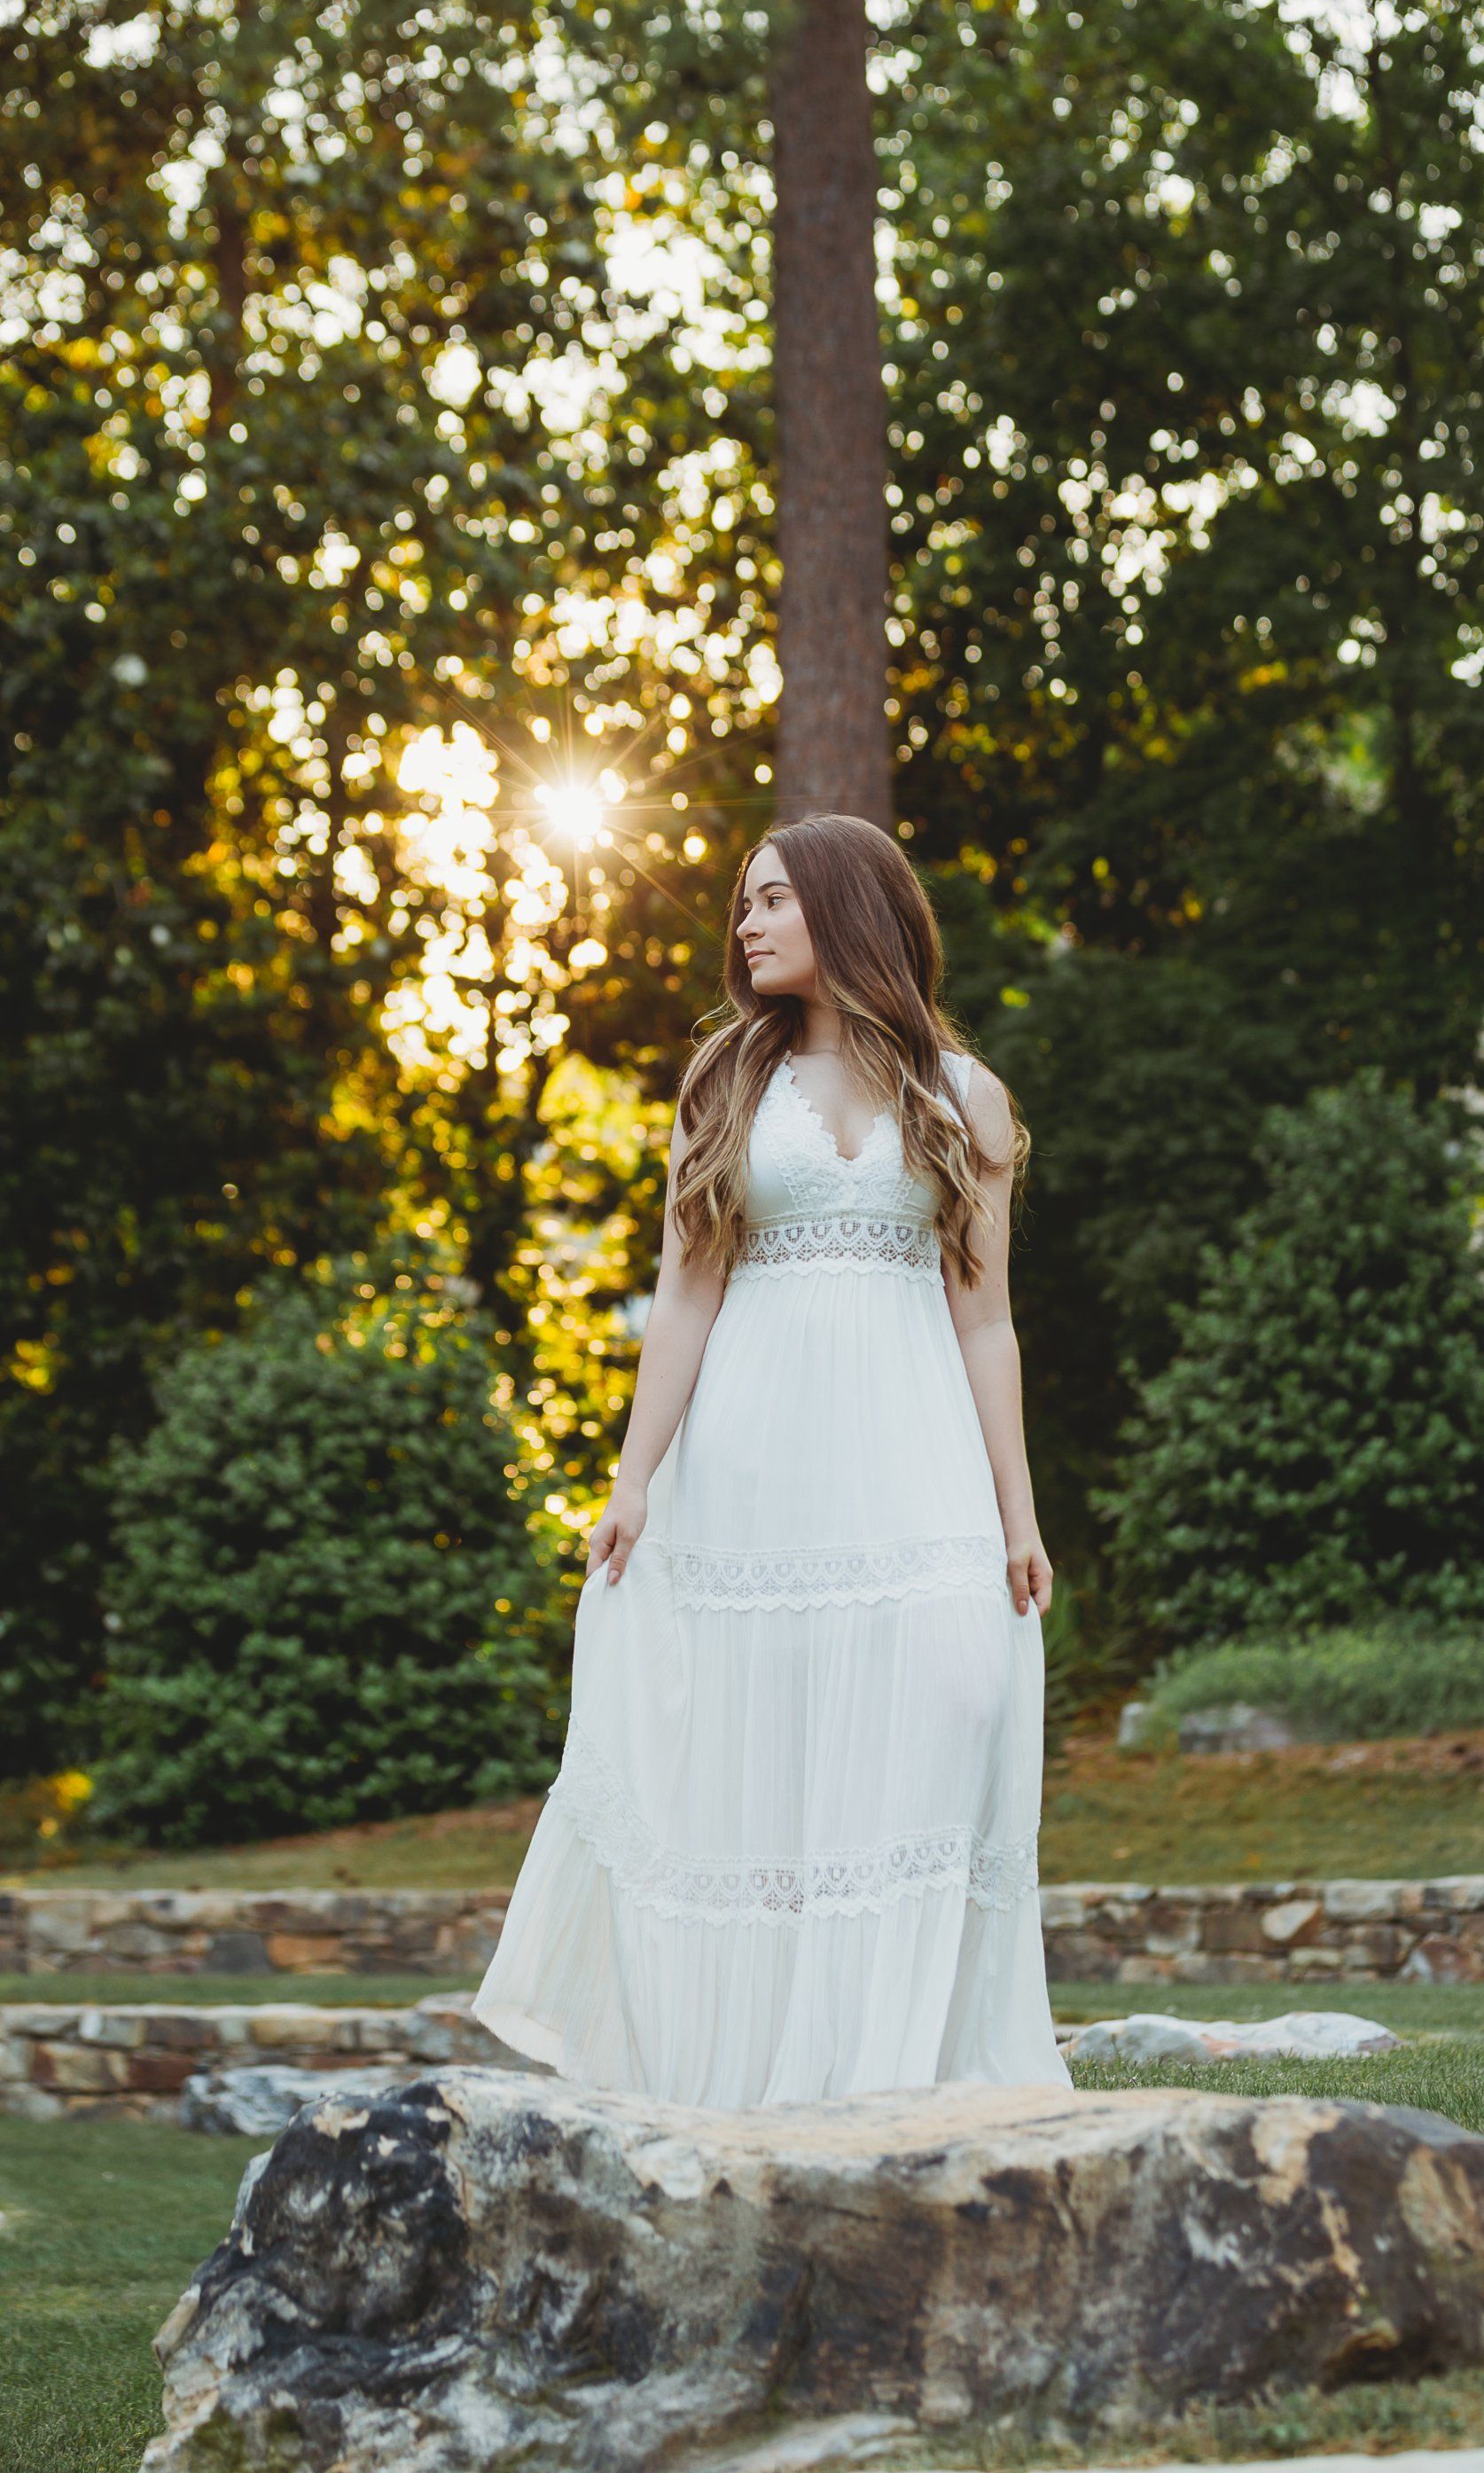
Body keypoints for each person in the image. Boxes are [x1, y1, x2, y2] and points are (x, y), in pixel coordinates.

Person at [472, 813, 1071, 2108]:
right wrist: (634, 1480)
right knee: (770, 1761)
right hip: (751, 1463)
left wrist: (1018, 1513)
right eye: (745, 905)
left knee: (951, 1698)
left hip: (915, 1460)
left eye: (773, 901)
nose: (744, 926)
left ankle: (894, 2070)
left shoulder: (965, 1098)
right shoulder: (724, 1086)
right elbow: (684, 1299)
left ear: (850, 911)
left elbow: (986, 1316)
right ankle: (759, 2084)